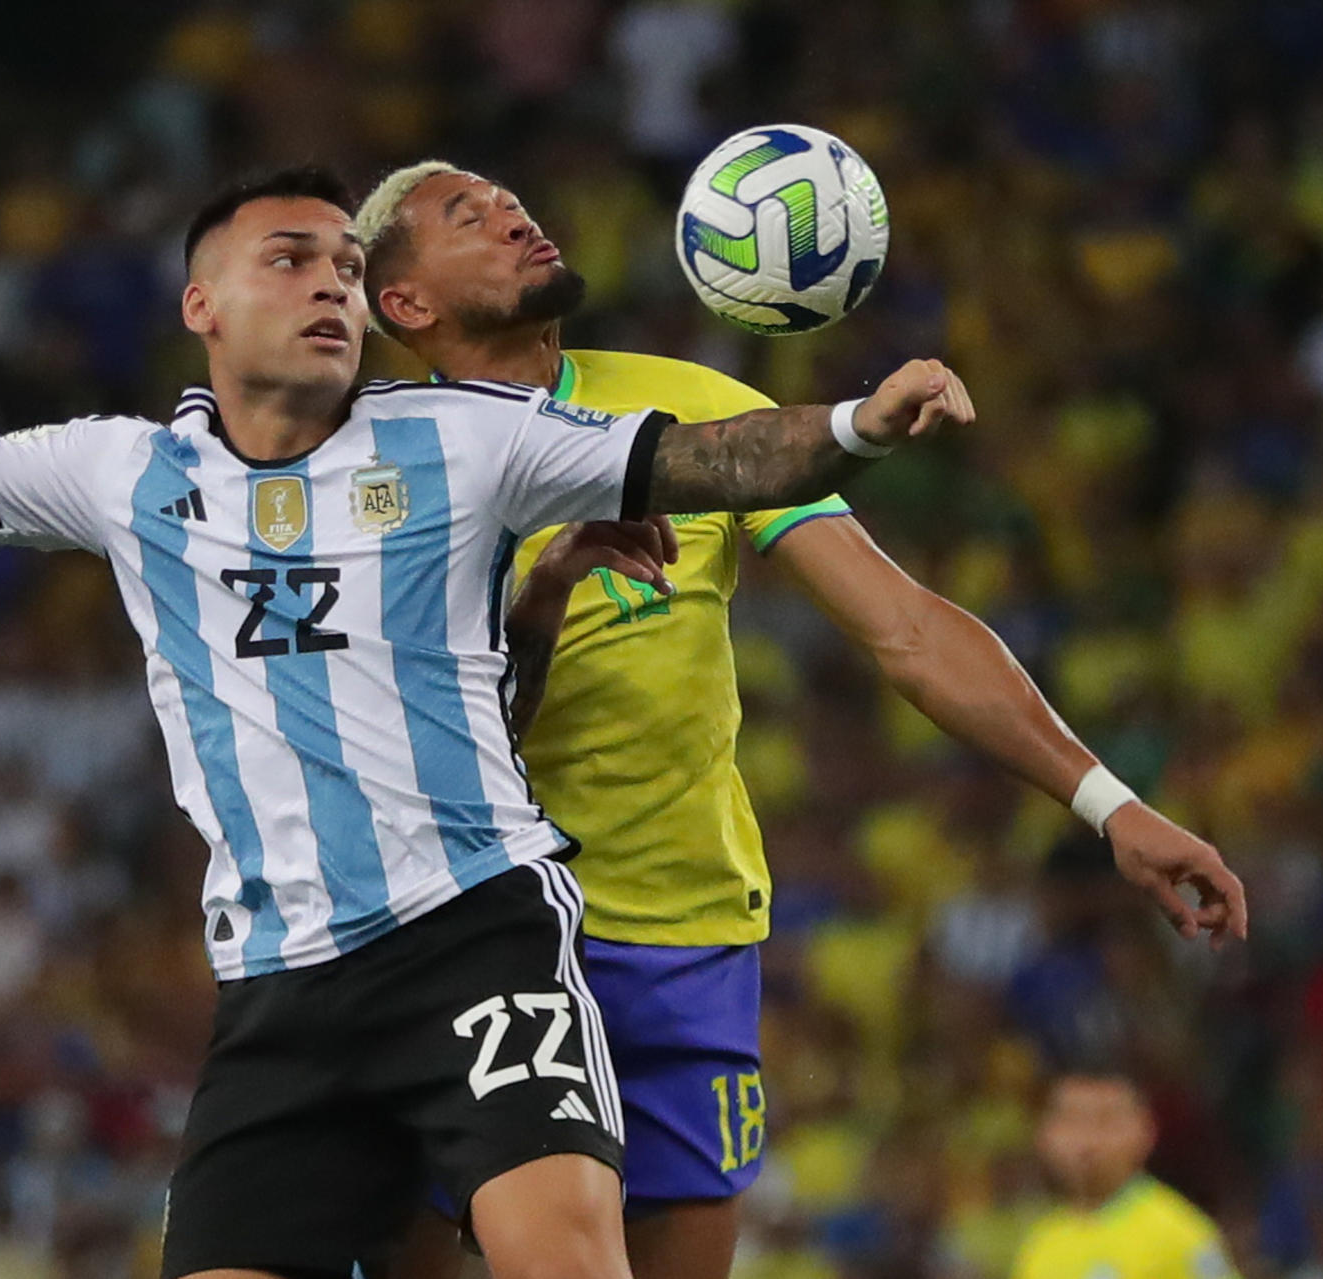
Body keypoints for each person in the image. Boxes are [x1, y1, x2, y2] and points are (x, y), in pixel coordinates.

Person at [0, 166, 973, 1279]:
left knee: (567, 1253)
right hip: (283, 985)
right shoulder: (118, 473)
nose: (332, 284)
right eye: (292, 259)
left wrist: (852, 424)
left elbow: (706, 455)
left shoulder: (462, 439)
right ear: (202, 306)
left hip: (474, 930)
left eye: (349, 263)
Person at [353, 161, 1248, 1279]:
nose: (512, 212)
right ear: (406, 304)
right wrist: (539, 600)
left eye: (509, 199)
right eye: (464, 216)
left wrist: (1108, 805)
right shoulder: (369, 469)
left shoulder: (689, 410)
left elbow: (908, 630)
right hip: (469, 933)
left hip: (676, 938)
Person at [1012, 1070, 1238, 1278]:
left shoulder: (1179, 1235)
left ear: (1145, 1131)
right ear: (1044, 1134)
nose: (1086, 1140)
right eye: (1072, 1119)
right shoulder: (1040, 1242)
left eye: (1105, 1121)